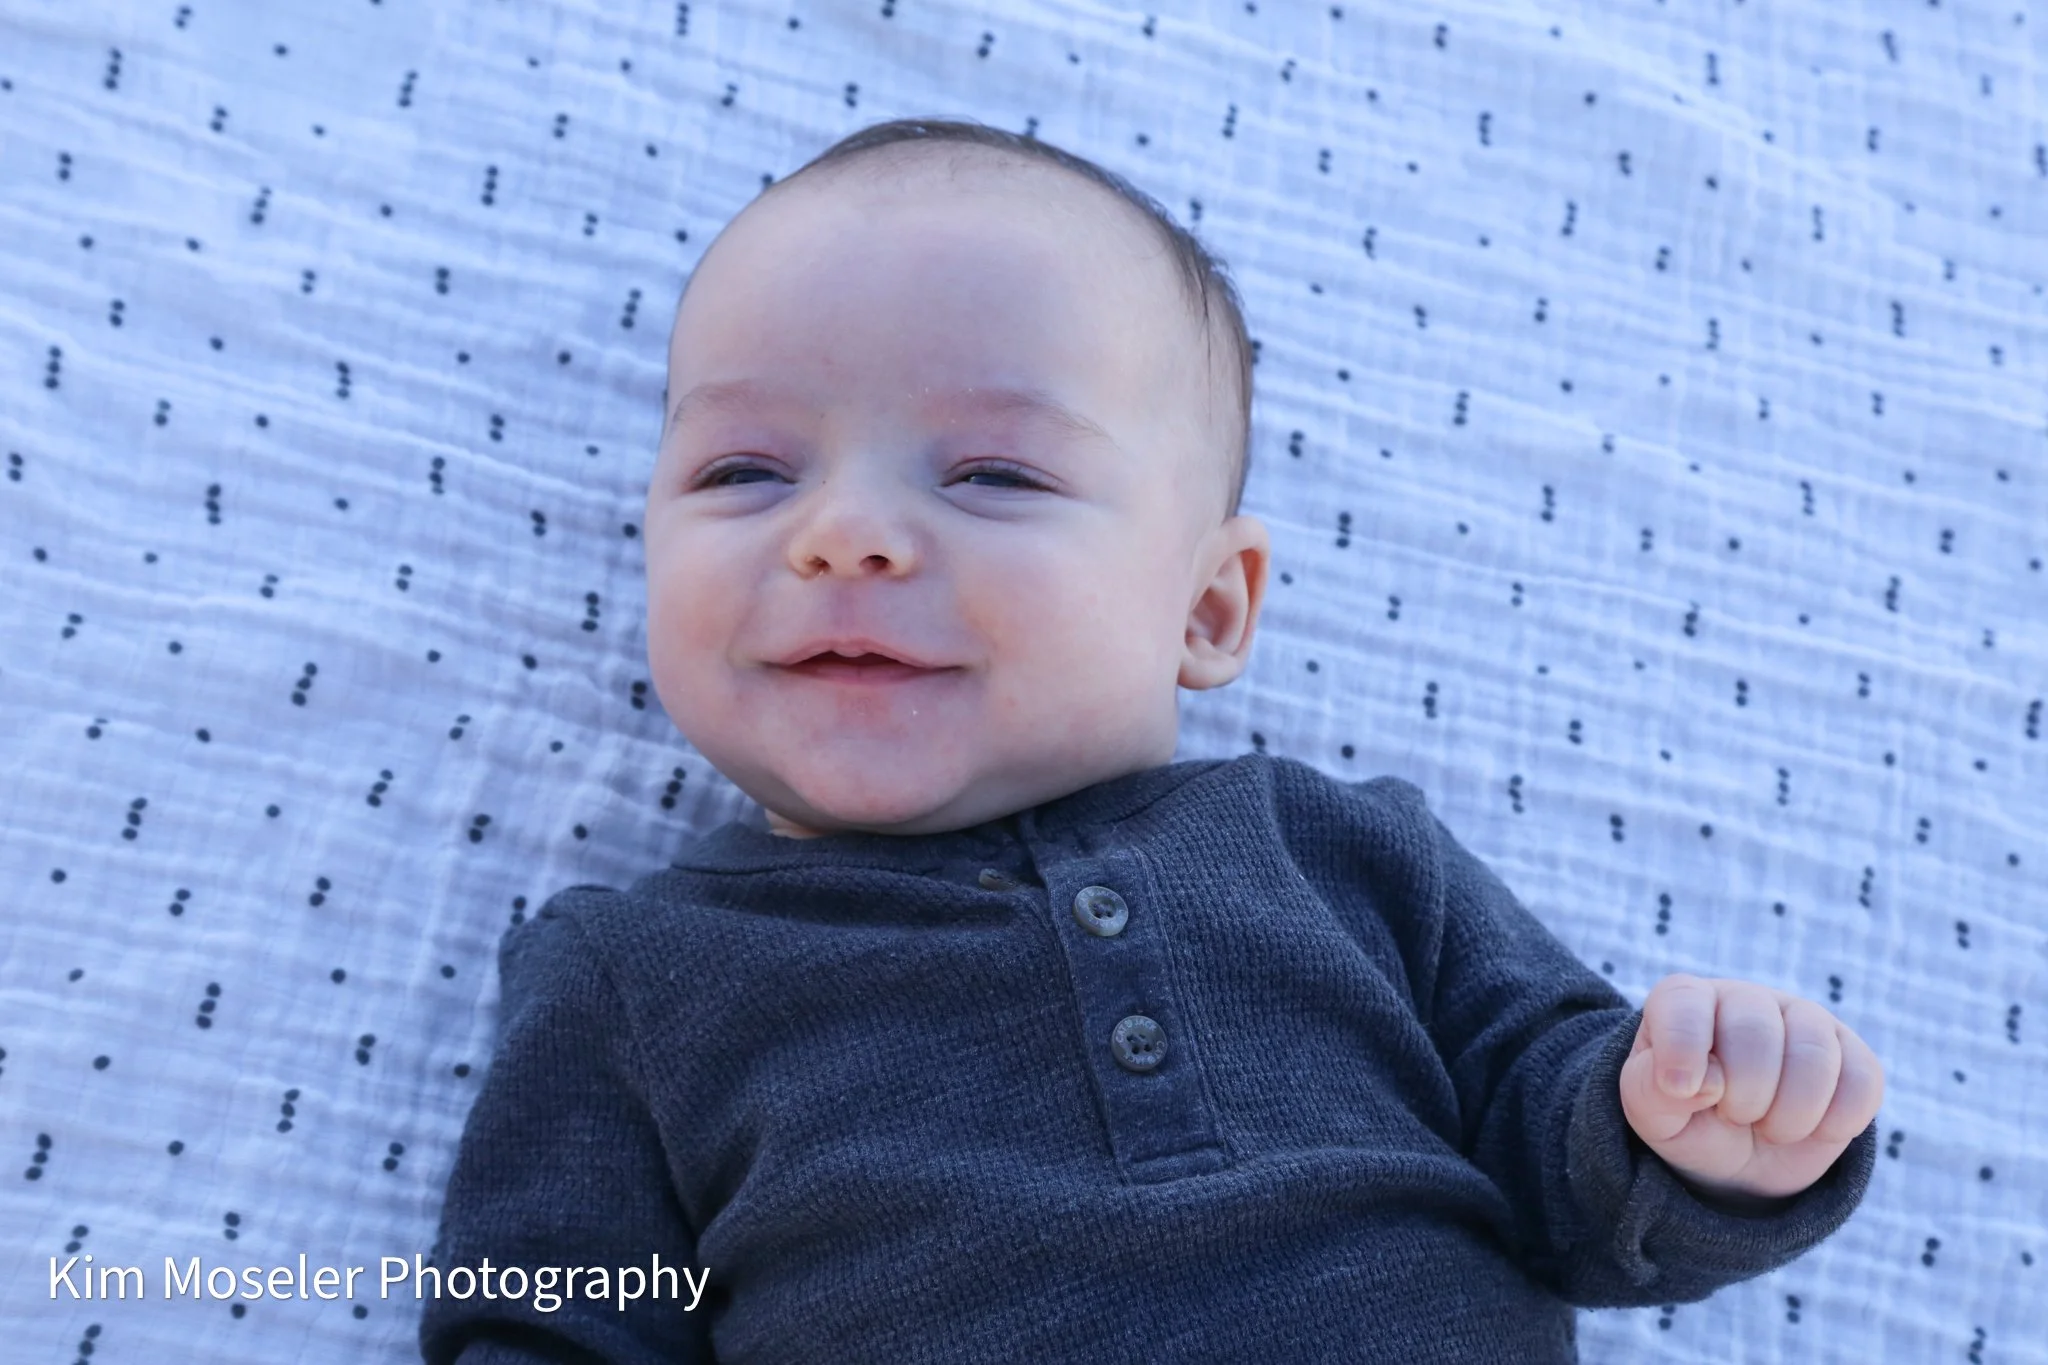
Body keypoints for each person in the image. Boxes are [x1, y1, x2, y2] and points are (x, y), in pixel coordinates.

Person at [419, 117, 1882, 1364]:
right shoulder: (631, 977)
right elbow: (553, 1317)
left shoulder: (1340, 855)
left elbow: (1575, 1167)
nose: (846, 532)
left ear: (1206, 606)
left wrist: (1696, 1130)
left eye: (993, 473)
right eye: (745, 469)